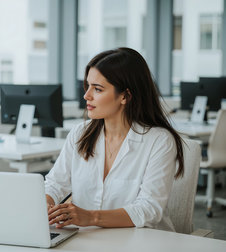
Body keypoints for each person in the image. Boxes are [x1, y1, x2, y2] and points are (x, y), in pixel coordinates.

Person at [45, 47, 184, 231]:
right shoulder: (79, 134)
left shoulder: (159, 141)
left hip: (142, 241)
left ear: (125, 96)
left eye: (98, 89)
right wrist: (45, 204)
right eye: (88, 86)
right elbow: (55, 184)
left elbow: (149, 209)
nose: (86, 95)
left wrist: (90, 217)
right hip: (90, 240)